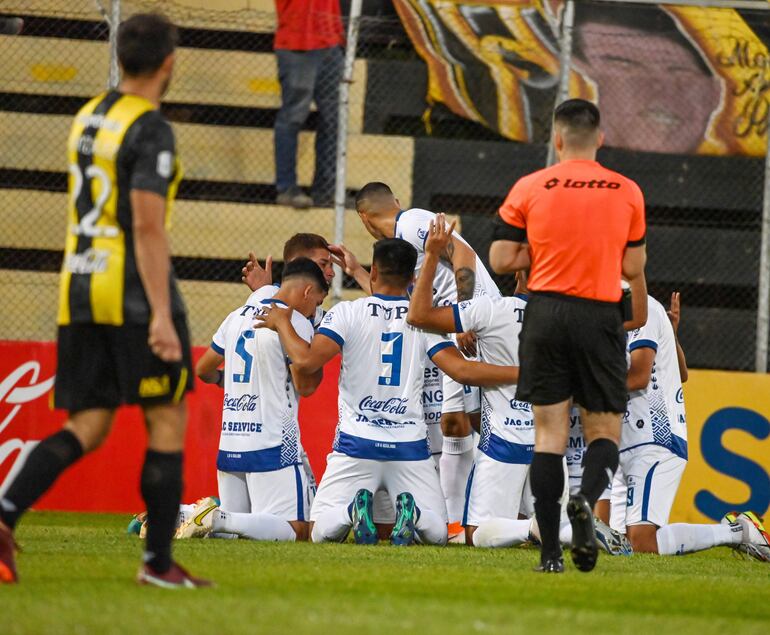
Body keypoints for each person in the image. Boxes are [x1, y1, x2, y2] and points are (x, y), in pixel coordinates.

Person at [0, 13, 210, 587]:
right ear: (169, 63)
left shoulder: (88, 116)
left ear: (120, 57)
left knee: (89, 425)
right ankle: (158, 564)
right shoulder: (151, 128)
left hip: (81, 287)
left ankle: (3, 517)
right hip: (134, 295)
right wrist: (163, 315)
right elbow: (146, 227)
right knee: (166, 416)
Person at [255, 238, 519, 546]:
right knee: (436, 534)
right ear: (412, 279)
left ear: (374, 271)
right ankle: (416, 516)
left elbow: (307, 359)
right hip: (409, 449)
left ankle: (351, 511)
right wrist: (522, 375)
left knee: (319, 530)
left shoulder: (347, 313)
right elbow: (463, 371)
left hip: (356, 446)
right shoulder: (422, 321)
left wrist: (282, 323)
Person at [489, 98, 648, 573]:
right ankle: (586, 497)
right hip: (599, 314)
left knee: (548, 434)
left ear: (557, 139)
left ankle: (550, 554)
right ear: (599, 139)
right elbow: (633, 266)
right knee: (604, 432)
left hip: (545, 313)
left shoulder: (530, 186)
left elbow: (499, 258)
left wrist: (539, 255)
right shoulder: (627, 190)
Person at [351, 181, 502, 540]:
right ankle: (468, 517)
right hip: (457, 327)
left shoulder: (412, 223)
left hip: (475, 325)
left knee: (463, 422)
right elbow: (403, 302)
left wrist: (464, 313)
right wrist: (358, 273)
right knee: (473, 421)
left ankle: (461, 519)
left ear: (363, 217)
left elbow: (462, 254)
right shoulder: (402, 246)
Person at [176, 259, 328, 542]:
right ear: (308, 291)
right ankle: (214, 516)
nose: (314, 310)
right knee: (298, 530)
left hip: (231, 442)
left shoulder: (236, 316)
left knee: (237, 533)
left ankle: (180, 514)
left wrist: (227, 381)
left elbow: (203, 369)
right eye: (317, 302)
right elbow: (305, 385)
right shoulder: (293, 321)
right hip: (273, 445)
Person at [405, 215, 532, 547]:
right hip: (552, 444)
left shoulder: (492, 310)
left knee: (480, 533)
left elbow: (417, 315)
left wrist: (432, 254)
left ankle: (539, 528)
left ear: (519, 272)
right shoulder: (566, 318)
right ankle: (563, 526)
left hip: (505, 443)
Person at [616, 292, 770, 560]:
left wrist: (580, 387)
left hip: (654, 436)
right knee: (614, 543)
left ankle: (737, 532)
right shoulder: (612, 312)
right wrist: (670, 338)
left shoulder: (641, 306)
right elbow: (681, 371)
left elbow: (639, 376)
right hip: (621, 438)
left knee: (641, 542)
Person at [273, 0, 344, 208]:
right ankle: (286, 188)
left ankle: (327, 191)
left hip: (329, 41)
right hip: (297, 42)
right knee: (293, 117)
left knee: (333, 120)